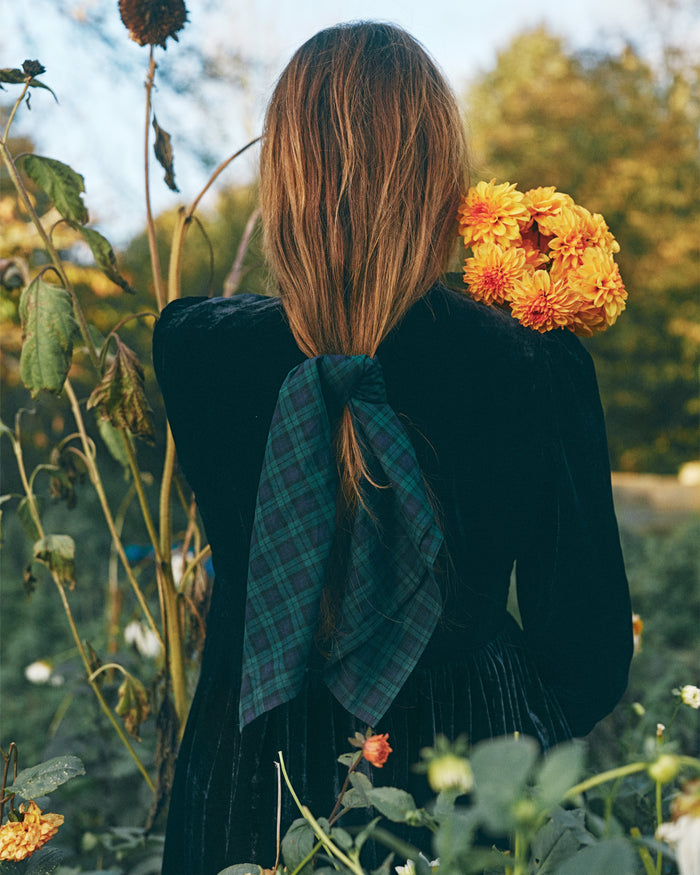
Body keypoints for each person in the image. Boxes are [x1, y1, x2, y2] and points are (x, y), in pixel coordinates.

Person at [153, 22, 633, 874]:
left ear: (286, 176)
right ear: (440, 176)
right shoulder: (534, 359)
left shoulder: (196, 350)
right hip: (475, 780)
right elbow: (588, 651)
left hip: (247, 790)